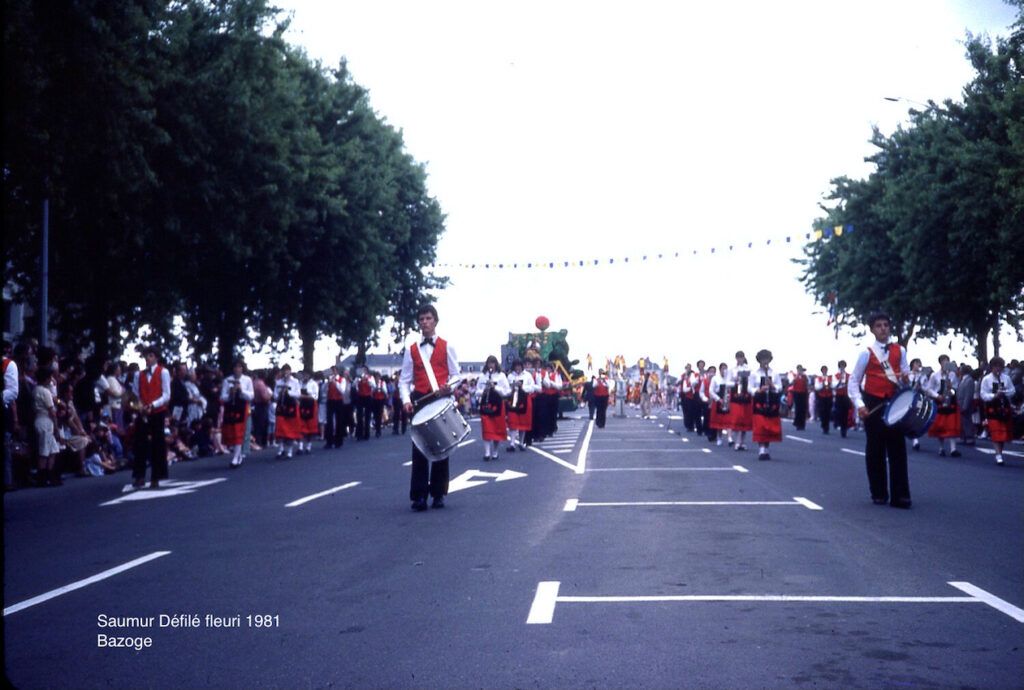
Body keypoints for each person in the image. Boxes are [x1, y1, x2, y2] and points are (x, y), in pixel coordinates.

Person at [399, 304, 461, 511]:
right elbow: (404, 380)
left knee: (441, 447)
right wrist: (406, 399)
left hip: (440, 399)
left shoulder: (447, 345)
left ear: (435, 321)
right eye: (421, 319)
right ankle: (419, 496)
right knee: (419, 448)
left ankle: (438, 494)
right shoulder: (412, 350)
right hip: (420, 400)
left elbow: (457, 375)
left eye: (428, 318)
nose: (424, 322)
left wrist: (448, 387)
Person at [849, 312, 912, 508]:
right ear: (872, 329)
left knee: (898, 449)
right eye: (878, 325)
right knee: (875, 449)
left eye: (886, 324)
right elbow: (853, 382)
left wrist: (906, 379)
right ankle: (878, 492)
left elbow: (906, 373)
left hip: (894, 402)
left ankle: (900, 495)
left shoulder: (900, 350)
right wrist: (860, 405)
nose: (883, 328)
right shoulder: (866, 353)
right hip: (873, 402)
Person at [131, 346, 172, 489]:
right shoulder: (139, 375)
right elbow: (136, 394)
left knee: (157, 444)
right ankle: (139, 475)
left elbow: (166, 394)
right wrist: (140, 406)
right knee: (140, 443)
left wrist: (153, 405)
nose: (147, 359)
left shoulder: (163, 372)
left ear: (156, 358)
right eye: (146, 356)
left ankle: (156, 476)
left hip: (157, 411)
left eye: (150, 356)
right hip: (143, 412)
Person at [980, 357, 1016, 465]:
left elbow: (1013, 390)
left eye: (1000, 366)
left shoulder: (1006, 378)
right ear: (992, 367)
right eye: (995, 366)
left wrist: (1005, 392)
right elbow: (983, 394)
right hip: (992, 406)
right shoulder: (987, 379)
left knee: (1003, 432)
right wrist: (994, 395)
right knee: (995, 430)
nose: (998, 369)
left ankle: (1000, 453)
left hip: (1004, 406)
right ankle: (998, 455)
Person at [925, 355, 962, 457]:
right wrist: (937, 396)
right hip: (939, 400)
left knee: (952, 424)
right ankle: (941, 448)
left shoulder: (953, 375)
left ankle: (953, 448)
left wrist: (951, 388)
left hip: (950, 400)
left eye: (947, 362)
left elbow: (956, 387)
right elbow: (929, 389)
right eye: (944, 362)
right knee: (940, 425)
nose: (946, 364)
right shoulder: (934, 375)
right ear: (940, 363)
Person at [476, 356, 511, 461]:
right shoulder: (482, 376)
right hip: (486, 404)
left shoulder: (501, 376)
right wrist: (484, 390)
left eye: (493, 363)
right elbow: (477, 391)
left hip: (498, 404)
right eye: (489, 363)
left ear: (496, 364)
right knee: (486, 428)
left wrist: (495, 387)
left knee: (497, 428)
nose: (491, 365)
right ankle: (487, 453)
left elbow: (507, 392)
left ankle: (495, 452)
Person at [220, 359, 254, 468]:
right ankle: (237, 454)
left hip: (242, 407)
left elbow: (251, 396)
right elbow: (222, 397)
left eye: (239, 367)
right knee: (231, 431)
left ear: (242, 368)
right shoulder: (227, 380)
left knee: (239, 430)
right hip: (231, 408)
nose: (237, 369)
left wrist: (241, 390)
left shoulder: (247, 380)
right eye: (235, 367)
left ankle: (236, 456)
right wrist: (230, 394)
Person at [751, 350, 783, 460]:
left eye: (767, 359)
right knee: (760, 425)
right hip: (759, 400)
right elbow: (749, 388)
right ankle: (761, 449)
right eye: (763, 359)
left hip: (772, 401)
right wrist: (759, 389)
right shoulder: (754, 374)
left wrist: (773, 386)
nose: (765, 361)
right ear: (759, 360)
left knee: (769, 425)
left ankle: (766, 448)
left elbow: (780, 387)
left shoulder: (775, 374)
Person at [505, 359, 537, 451]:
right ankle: (512, 443)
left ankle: (521, 442)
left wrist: (522, 387)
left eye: (519, 366)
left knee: (523, 423)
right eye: (516, 366)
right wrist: (513, 386)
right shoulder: (510, 376)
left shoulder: (527, 375)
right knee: (513, 421)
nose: (517, 368)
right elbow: (507, 389)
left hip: (524, 400)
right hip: (513, 400)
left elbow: (532, 388)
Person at [274, 365, 303, 459]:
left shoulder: (295, 382)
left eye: (287, 371)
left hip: (291, 406)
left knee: (290, 428)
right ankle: (281, 449)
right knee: (280, 428)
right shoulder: (278, 382)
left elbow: (298, 394)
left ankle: (290, 450)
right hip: (281, 407)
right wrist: (280, 393)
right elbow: (274, 396)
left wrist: (288, 392)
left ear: (290, 371)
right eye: (284, 371)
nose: (286, 373)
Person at [730, 352, 753, 451]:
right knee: (737, 418)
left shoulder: (749, 369)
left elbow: (752, 381)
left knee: (745, 419)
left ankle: (742, 442)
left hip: (746, 395)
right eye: (738, 358)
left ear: (744, 358)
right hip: (736, 395)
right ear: (736, 358)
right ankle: (737, 441)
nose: (740, 359)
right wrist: (735, 381)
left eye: (741, 357)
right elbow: (728, 383)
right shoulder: (732, 370)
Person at [708, 363, 733, 447]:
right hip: (718, 400)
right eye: (723, 369)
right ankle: (719, 438)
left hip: (727, 400)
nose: (724, 371)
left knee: (729, 420)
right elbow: (711, 390)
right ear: (720, 370)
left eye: (726, 369)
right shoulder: (715, 379)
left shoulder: (729, 379)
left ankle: (730, 438)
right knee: (719, 421)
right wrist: (718, 399)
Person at [957, 363, 977, 446]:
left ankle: (970, 438)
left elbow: (968, 394)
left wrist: (965, 406)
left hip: (966, 404)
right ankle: (964, 437)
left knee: (967, 421)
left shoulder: (969, 380)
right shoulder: (963, 379)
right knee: (963, 421)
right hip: (961, 403)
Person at [832, 360, 853, 438]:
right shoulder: (836, 375)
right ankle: (838, 424)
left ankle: (844, 429)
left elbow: (851, 385)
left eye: (843, 365)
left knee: (846, 413)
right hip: (839, 396)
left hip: (846, 396)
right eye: (841, 365)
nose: (842, 367)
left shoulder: (849, 375)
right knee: (839, 412)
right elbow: (833, 385)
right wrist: (839, 381)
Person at [814, 365, 833, 435]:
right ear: (822, 371)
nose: (825, 371)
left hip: (829, 396)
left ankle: (826, 427)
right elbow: (817, 387)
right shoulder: (818, 378)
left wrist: (830, 385)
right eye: (823, 370)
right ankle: (823, 424)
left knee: (828, 412)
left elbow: (833, 386)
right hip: (821, 396)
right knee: (822, 411)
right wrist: (822, 384)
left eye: (826, 370)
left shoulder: (830, 378)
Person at [789, 365, 809, 430]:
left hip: (803, 393)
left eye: (801, 370)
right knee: (798, 408)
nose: (800, 371)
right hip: (797, 393)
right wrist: (796, 377)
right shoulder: (794, 376)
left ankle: (802, 424)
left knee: (803, 409)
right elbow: (791, 382)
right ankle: (797, 423)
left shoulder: (805, 376)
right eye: (799, 370)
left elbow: (808, 383)